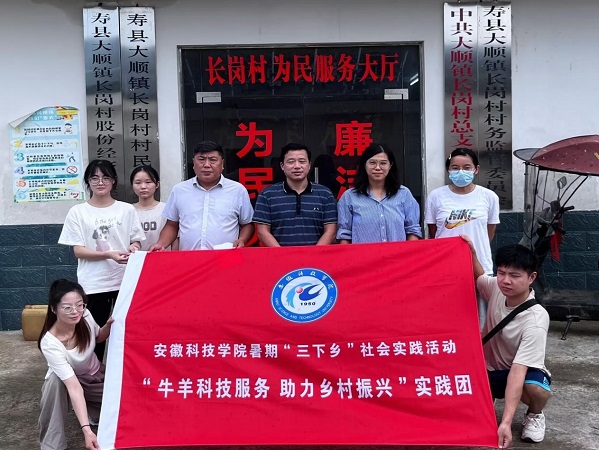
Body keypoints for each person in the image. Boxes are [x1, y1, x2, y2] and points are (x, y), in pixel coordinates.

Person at [463, 236, 551, 448]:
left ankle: (535, 414)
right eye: (501, 272)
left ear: (531, 277)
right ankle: (488, 394)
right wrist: (471, 252)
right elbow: (479, 277)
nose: (505, 280)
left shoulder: (536, 319)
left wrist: (505, 423)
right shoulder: (497, 287)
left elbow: (518, 371)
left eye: (514, 275)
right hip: (488, 369)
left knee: (535, 389)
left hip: (520, 371)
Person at [58, 159, 145, 360]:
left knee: (127, 329)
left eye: (106, 177)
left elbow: (136, 240)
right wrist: (108, 254)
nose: (100, 182)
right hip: (94, 282)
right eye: (94, 178)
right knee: (94, 333)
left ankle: (125, 372)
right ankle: (94, 373)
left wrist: (133, 247)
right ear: (88, 182)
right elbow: (78, 251)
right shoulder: (78, 212)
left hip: (125, 280)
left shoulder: (126, 209)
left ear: (113, 181)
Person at [425, 147, 500, 325]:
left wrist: (475, 250)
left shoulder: (489, 197)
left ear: (476, 169)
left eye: (467, 167)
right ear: (448, 170)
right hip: (445, 266)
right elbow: (434, 232)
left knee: (481, 320)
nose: (461, 172)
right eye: (455, 167)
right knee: (448, 317)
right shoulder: (436, 196)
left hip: (480, 266)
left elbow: (489, 232)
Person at [38, 279, 113, 450]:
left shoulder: (84, 315)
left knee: (128, 405)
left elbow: (98, 337)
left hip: (96, 378)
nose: (75, 311)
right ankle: (52, 445)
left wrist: (109, 325)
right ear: (54, 309)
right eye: (67, 307)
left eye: (80, 305)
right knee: (54, 381)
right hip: (70, 383)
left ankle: (91, 410)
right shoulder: (50, 342)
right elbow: (74, 386)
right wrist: (86, 431)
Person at [149, 140, 254, 251]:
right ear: (194, 163)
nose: (207, 165)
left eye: (213, 160)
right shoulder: (179, 190)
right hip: (190, 257)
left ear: (222, 164)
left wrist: (242, 239)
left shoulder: (237, 190)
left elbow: (247, 224)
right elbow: (172, 225)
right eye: (201, 159)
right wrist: (161, 244)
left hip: (225, 257)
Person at [253, 143, 337, 246]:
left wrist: (314, 253)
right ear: (282, 166)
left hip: (316, 255)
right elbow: (262, 232)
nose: (297, 166)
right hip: (279, 255)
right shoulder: (267, 195)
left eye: (302, 161)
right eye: (291, 162)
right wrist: (283, 254)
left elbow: (330, 231)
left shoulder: (325, 194)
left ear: (309, 165)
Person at [337, 144, 422, 243]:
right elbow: (344, 235)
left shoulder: (404, 194)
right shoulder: (349, 197)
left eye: (383, 163)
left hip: (398, 253)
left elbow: (412, 231)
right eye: (372, 163)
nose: (377, 168)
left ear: (390, 165)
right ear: (364, 165)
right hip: (363, 253)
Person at [130, 166, 178, 251]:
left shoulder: (166, 209)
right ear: (132, 185)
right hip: (136, 258)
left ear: (157, 184)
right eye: (138, 183)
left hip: (162, 258)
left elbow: (175, 239)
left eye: (148, 182)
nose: (143, 186)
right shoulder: (128, 211)